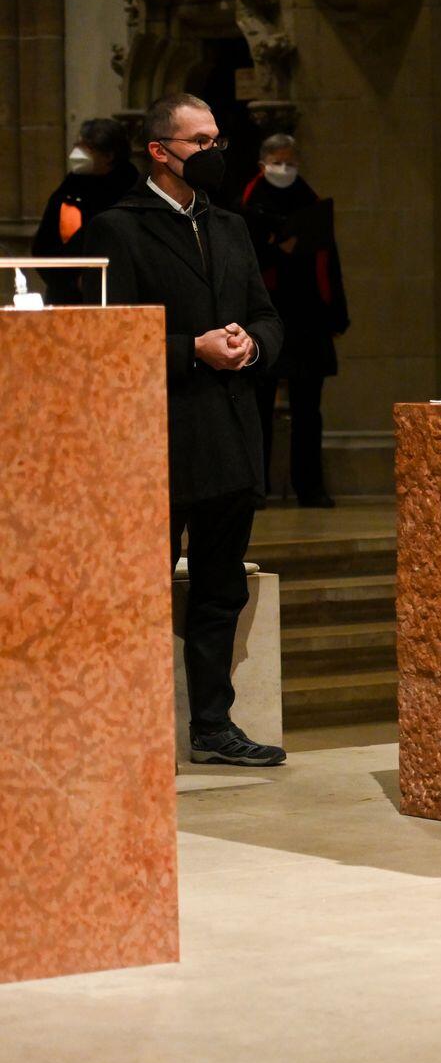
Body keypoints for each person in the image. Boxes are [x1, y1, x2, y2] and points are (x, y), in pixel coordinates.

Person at [72, 92, 287, 767]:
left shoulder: (230, 227)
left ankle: (213, 726)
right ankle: (120, 729)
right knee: (139, 590)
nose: (214, 152)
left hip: (229, 434)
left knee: (221, 588)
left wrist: (250, 344)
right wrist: (191, 349)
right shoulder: (118, 228)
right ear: (160, 151)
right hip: (157, 438)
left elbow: (268, 315)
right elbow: (100, 341)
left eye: (217, 138)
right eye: (200, 141)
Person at [241, 133, 348, 508]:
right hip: (264, 316)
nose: (284, 168)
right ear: (263, 164)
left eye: (290, 162)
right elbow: (243, 261)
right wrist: (276, 250)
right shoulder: (248, 204)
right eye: (278, 162)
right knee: (258, 406)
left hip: (307, 318)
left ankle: (310, 486)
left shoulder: (310, 201)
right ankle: (256, 486)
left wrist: (336, 314)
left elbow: (329, 261)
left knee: (308, 409)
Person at [32, 118, 140, 304]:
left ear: (109, 155)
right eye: (77, 144)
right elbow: (43, 245)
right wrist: (70, 280)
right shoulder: (70, 187)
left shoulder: (132, 190)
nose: (77, 152)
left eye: (87, 147)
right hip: (67, 294)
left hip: (118, 295)